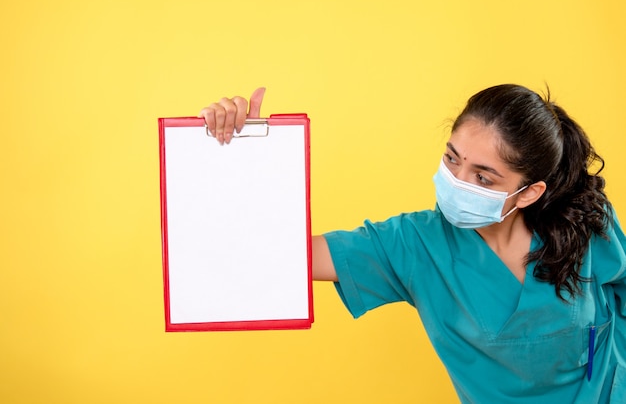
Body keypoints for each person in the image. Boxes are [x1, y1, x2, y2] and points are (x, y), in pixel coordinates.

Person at [199, 84, 625, 403]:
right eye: (452, 158)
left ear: (528, 193)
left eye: (482, 177)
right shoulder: (413, 244)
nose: (457, 182)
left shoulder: (583, 220)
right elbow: (278, 255)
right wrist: (244, 156)